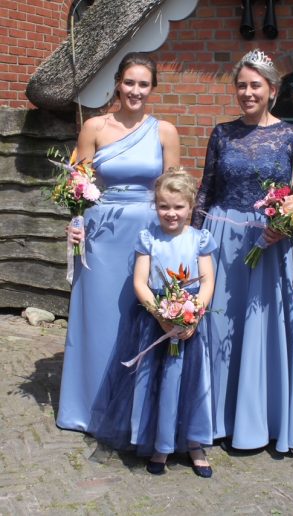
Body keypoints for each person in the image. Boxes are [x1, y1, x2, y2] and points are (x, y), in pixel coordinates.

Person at [192, 49, 293, 453]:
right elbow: (206, 189)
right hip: (222, 239)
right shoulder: (222, 133)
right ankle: (215, 418)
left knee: (262, 329)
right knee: (219, 326)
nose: (247, 93)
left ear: (272, 89)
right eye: (241, 85)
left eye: (255, 85)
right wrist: (192, 241)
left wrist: (287, 226)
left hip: (270, 244)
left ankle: (262, 420)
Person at [56, 52, 180, 432]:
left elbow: (174, 191)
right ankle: (87, 407)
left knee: (140, 315)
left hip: (147, 236)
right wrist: (75, 223)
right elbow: (78, 188)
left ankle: (134, 411)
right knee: (98, 316)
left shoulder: (165, 132)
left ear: (152, 88)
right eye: (129, 82)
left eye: (143, 84)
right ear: (118, 84)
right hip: (101, 236)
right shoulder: (94, 127)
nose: (135, 91)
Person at [87, 170, 216, 477]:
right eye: (163, 206)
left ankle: (194, 443)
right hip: (154, 322)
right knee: (154, 381)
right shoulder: (148, 238)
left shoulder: (200, 239)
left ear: (190, 206)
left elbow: (208, 281)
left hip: (189, 323)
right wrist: (161, 315)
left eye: (178, 207)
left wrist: (192, 315)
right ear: (155, 206)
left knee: (189, 382)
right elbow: (140, 282)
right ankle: (159, 443)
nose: (171, 213)